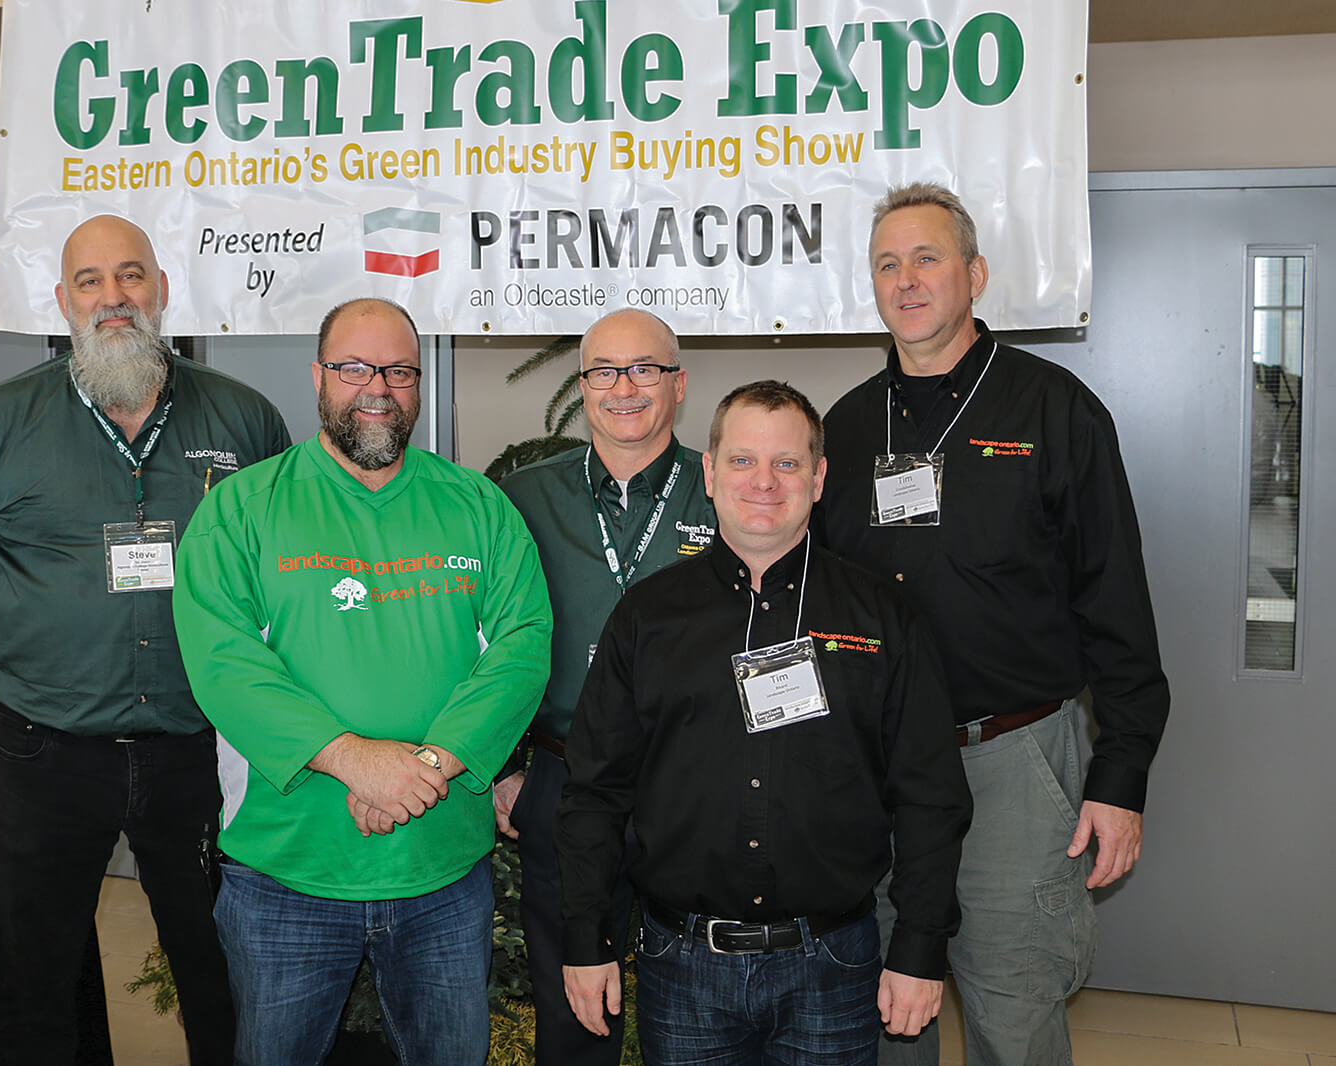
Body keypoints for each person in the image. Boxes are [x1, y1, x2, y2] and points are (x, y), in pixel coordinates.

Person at [0, 214, 290, 1065]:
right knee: (33, 972)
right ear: (62, 299)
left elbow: (278, 564)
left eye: (131, 275)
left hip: (201, 746)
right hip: (46, 750)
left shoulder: (244, 419)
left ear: (161, 290)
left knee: (220, 964)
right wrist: (32, 652)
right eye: (91, 281)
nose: (113, 297)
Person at [817, 182, 1170, 1065]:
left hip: (1010, 765)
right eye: (887, 264)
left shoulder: (1053, 409)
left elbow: (1117, 603)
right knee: (885, 1017)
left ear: (974, 275)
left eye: (926, 258)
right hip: (877, 776)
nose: (906, 280)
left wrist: (1121, 776)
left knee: (1015, 1017)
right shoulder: (847, 428)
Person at [171, 297, 552, 1066]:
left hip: (442, 873)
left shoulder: (479, 506)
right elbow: (224, 665)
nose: (378, 387)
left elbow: (522, 649)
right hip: (286, 876)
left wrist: (425, 767)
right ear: (317, 376)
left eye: (400, 371)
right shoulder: (241, 511)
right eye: (354, 368)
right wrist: (355, 759)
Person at [557, 381, 972, 1066]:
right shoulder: (647, 617)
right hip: (681, 965)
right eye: (743, 461)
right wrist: (585, 937)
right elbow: (595, 790)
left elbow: (930, 793)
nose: (764, 482)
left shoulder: (882, 616)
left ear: (819, 478)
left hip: (833, 963)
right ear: (710, 472)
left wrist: (921, 946)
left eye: (787, 463)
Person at [496, 308, 718, 1066]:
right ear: (583, 385)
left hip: (695, 784)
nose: (624, 388)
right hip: (566, 781)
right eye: (603, 372)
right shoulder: (524, 498)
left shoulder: (725, 489)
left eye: (645, 369)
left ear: (678, 384)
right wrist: (504, 770)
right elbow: (482, 637)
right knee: (573, 1016)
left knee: (698, 1008)